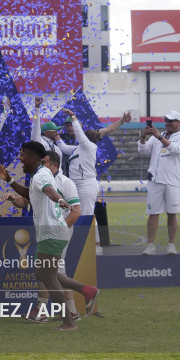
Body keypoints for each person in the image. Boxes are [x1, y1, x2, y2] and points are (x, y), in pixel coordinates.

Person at [6, 151, 99, 322]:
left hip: (57, 231)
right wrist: (13, 199)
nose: (42, 165)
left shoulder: (65, 182)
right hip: (49, 231)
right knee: (54, 273)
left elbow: (76, 211)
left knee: (47, 273)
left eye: (45, 162)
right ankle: (72, 310)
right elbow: (25, 201)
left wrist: (61, 227)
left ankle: (44, 310)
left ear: (55, 165)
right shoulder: (39, 178)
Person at [0, 141, 76, 331]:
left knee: (48, 278)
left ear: (32, 158)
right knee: (44, 274)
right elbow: (31, 194)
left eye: (22, 155)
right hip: (51, 232)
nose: (19, 158)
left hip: (52, 232)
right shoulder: (40, 174)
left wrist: (61, 200)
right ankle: (82, 296)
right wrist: (9, 180)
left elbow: (50, 191)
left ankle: (69, 321)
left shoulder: (40, 176)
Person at [56, 108, 131, 254]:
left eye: (82, 135)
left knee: (87, 215)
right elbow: (64, 148)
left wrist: (73, 115)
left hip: (86, 184)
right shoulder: (78, 148)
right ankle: (87, 245)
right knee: (77, 214)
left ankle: (96, 246)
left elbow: (79, 133)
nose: (80, 135)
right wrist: (56, 136)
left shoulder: (89, 146)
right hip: (76, 185)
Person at [138, 110, 180, 255]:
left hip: (173, 181)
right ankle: (150, 245)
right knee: (153, 213)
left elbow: (175, 149)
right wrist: (143, 136)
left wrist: (158, 137)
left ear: (179, 122)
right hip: (155, 180)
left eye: (171, 120)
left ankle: (171, 245)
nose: (168, 123)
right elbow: (143, 150)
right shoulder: (157, 136)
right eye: (166, 120)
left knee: (172, 213)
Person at [31, 97, 64, 169]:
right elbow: (35, 128)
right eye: (54, 131)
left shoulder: (57, 149)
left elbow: (60, 169)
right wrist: (37, 108)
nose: (56, 133)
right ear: (47, 133)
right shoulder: (39, 141)